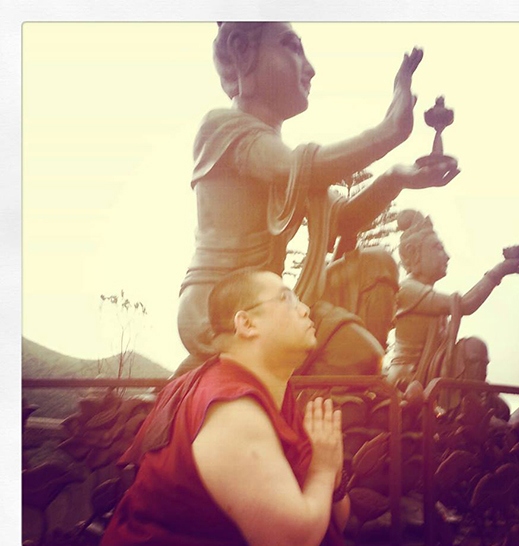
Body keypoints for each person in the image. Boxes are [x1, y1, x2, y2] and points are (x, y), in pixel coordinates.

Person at [176, 22, 460, 376]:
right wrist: (389, 131)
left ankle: (341, 409)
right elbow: (298, 167)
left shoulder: (284, 159)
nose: (310, 68)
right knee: (348, 356)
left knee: (367, 322)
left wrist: (395, 178)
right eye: (292, 47)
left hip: (272, 301)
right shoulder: (222, 128)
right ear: (241, 50)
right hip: (218, 306)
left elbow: (345, 218)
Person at [101, 268, 349, 546]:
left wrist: (334, 480)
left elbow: (336, 520)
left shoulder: (274, 395)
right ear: (246, 324)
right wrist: (323, 469)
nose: (305, 309)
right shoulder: (232, 410)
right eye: (287, 299)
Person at [387, 210, 519, 407]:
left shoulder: (426, 294)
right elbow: (465, 305)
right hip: (409, 379)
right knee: (473, 346)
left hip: (433, 371)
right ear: (414, 253)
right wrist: (499, 271)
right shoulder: (408, 289)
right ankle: (469, 411)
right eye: (437, 248)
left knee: (500, 407)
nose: (447, 256)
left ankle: (475, 404)